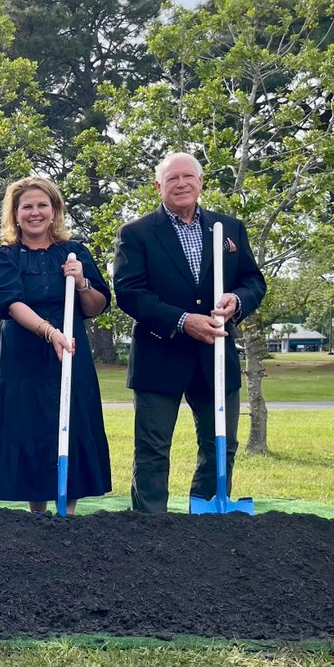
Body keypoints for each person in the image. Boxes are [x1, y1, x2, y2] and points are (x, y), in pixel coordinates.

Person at [114, 152, 267, 513]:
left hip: (215, 356)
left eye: (188, 177)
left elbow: (252, 281)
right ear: (158, 186)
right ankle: (151, 527)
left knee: (220, 446)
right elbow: (130, 292)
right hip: (159, 356)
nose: (181, 184)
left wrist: (237, 301)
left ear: (201, 182)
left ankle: (206, 519)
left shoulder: (229, 228)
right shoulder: (136, 234)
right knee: (153, 450)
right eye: (172, 179)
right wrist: (184, 320)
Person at [0, 177, 112, 514]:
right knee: (30, 429)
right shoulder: (4, 256)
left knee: (71, 425)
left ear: (54, 211)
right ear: (15, 214)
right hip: (23, 360)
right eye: (27, 207)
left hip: (70, 356)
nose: (35, 213)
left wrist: (81, 282)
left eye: (42, 205)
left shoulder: (75, 252)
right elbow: (12, 304)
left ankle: (67, 512)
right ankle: (37, 515)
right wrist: (50, 333)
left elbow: (95, 306)